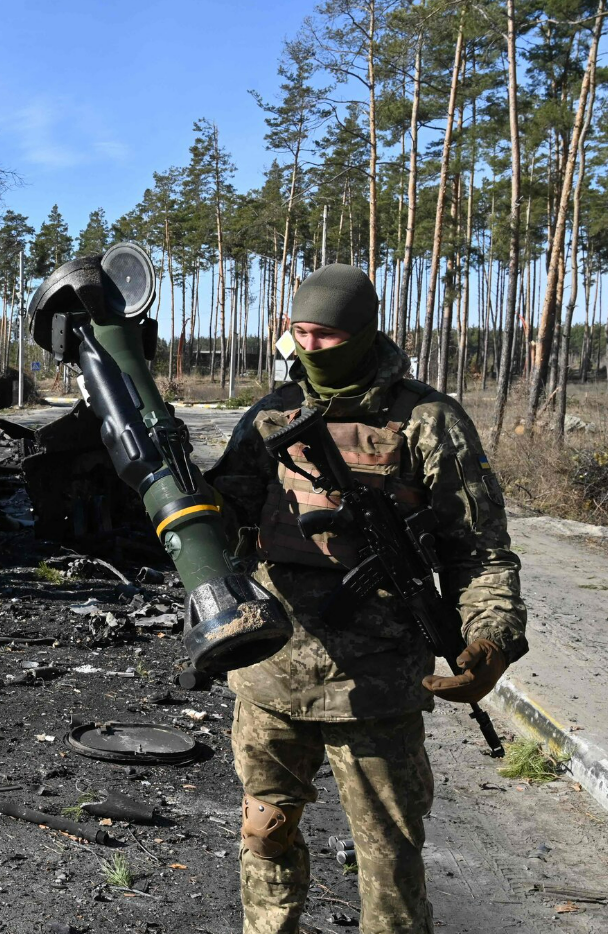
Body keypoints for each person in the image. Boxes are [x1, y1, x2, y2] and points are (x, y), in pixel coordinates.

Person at [203, 263, 528, 934]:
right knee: (266, 833)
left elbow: (480, 550)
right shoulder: (269, 417)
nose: (310, 348)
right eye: (300, 333)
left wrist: (490, 639)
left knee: (389, 864)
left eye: (326, 336)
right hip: (272, 670)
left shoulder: (430, 421)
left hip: (378, 682)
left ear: (362, 332)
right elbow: (220, 519)